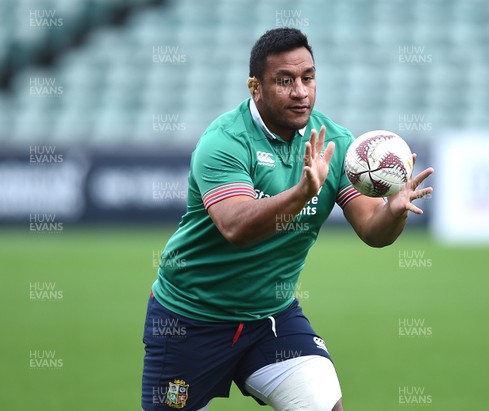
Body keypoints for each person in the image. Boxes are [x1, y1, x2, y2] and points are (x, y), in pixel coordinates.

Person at [141, 27, 433, 411]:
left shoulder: (335, 143)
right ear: (255, 87)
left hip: (271, 320)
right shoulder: (224, 141)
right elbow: (236, 228)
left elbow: (372, 231)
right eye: (285, 81)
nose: (301, 91)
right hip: (190, 320)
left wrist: (392, 213)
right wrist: (301, 193)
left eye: (308, 78)